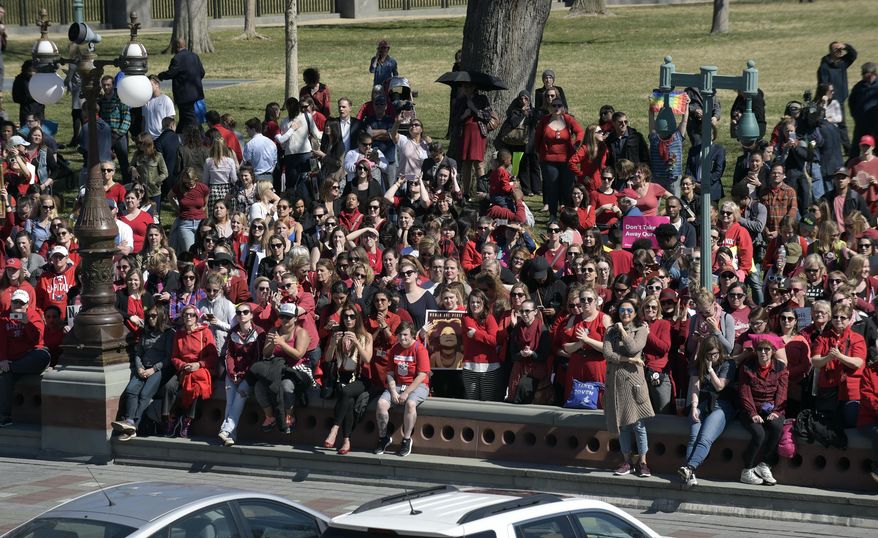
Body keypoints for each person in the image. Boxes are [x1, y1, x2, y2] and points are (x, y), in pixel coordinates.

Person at [603, 297, 654, 477]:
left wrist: (623, 333)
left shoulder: (641, 329)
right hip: (616, 382)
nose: (625, 313)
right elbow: (608, 354)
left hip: (634, 382)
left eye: (629, 311)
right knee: (622, 425)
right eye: (622, 310)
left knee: (638, 424)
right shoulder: (610, 331)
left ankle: (643, 462)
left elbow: (634, 348)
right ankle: (627, 461)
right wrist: (627, 360)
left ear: (635, 313)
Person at [679, 335, 737, 488]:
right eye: (709, 355)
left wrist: (710, 369)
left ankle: (689, 468)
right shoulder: (699, 364)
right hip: (703, 403)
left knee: (705, 437)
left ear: (720, 352)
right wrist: (693, 407)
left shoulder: (728, 363)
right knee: (693, 436)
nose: (712, 357)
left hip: (722, 404)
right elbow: (695, 386)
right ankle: (689, 474)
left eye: (715, 354)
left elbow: (719, 386)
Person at [111, 306, 174, 440]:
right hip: (143, 367)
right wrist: (139, 368)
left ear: (161, 316)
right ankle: (129, 421)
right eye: (149, 316)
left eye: (154, 316)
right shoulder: (145, 332)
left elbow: (168, 357)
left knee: (145, 394)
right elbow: (139, 353)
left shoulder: (168, 333)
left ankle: (133, 424)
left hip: (158, 369)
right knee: (130, 391)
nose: (151, 318)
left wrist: (153, 369)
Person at [322, 304, 373, 454]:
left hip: (359, 378)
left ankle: (334, 429)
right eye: (346, 316)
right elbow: (327, 359)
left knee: (345, 393)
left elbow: (368, 359)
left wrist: (357, 342)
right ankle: (346, 440)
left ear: (357, 318)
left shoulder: (366, 336)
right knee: (348, 400)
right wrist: (332, 343)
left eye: (352, 316)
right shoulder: (337, 334)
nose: (349, 319)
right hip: (340, 377)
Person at [374, 321, 429, 458]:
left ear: (411, 335)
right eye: (400, 335)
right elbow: (390, 373)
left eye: (405, 335)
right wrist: (393, 391)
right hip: (397, 384)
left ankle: (406, 439)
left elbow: (422, 375)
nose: (402, 338)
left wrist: (406, 393)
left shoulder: (419, 349)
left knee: (410, 404)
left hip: (417, 385)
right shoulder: (395, 349)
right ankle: (383, 438)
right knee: (381, 404)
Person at [738, 339, 788, 486]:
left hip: (771, 408)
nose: (763, 353)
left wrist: (777, 411)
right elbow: (744, 393)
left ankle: (764, 464)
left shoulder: (780, 367)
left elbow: (782, 392)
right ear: (756, 352)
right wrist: (753, 413)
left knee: (777, 427)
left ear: (772, 351)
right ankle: (747, 470)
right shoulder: (747, 367)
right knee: (759, 434)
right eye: (760, 350)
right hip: (750, 408)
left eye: (767, 350)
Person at [217, 303, 265, 447]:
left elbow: (257, 358)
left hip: (249, 375)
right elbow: (228, 355)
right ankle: (230, 436)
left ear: (251, 315)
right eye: (239, 313)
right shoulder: (233, 332)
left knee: (240, 394)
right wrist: (232, 374)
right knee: (230, 402)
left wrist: (243, 374)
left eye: (245, 312)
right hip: (232, 374)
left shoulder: (259, 332)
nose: (242, 315)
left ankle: (225, 429)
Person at [0, 289, 49, 427]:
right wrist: (3, 359)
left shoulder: (34, 316)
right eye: (15, 302)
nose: (18, 306)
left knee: (42, 356)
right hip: (12, 360)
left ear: (27, 305)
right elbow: (1, 340)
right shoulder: (4, 317)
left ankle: (10, 368)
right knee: (5, 376)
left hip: (29, 357)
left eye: (21, 303)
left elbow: (37, 340)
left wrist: (27, 323)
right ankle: (5, 416)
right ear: (11, 303)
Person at [535, 98, 584, 221]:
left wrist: (577, 144)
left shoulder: (568, 120)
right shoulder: (544, 121)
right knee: (552, 187)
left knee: (567, 188)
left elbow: (580, 131)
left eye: (559, 105)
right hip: (549, 160)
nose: (556, 108)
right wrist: (540, 154)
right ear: (549, 107)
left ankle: (567, 216)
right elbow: (537, 139)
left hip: (567, 160)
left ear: (562, 107)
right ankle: (552, 216)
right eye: (554, 105)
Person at [158, 38, 205, 133]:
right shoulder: (194, 56)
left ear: (176, 46)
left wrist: (160, 76)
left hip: (184, 96)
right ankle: (177, 135)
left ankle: (199, 135)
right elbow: (202, 72)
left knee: (190, 118)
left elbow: (171, 73)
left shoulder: (177, 58)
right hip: (196, 93)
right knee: (184, 118)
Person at [98, 75, 132, 183]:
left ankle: (127, 183)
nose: (106, 87)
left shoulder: (120, 100)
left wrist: (118, 134)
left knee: (123, 161)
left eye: (108, 85)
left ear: (113, 85)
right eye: (104, 85)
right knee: (104, 161)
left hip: (119, 135)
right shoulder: (101, 101)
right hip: (106, 135)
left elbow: (127, 119)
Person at [130, 133, 169, 215]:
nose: (139, 145)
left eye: (141, 143)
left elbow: (165, 173)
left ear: (148, 143)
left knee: (155, 215)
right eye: (138, 143)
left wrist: (155, 181)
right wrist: (133, 169)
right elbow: (130, 166)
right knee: (140, 213)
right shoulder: (137, 155)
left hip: (154, 191)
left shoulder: (157, 156)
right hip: (140, 191)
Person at [849, 62, 878, 150]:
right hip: (862, 123)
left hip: (876, 124)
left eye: (864, 73)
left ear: (871, 73)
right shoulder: (858, 87)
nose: (862, 75)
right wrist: (856, 116)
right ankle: (853, 163)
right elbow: (852, 102)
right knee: (856, 147)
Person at [142, 75, 175, 140]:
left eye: (150, 85)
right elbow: (143, 120)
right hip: (148, 139)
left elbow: (171, 122)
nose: (148, 87)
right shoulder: (145, 101)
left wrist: (170, 137)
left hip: (162, 137)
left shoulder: (166, 100)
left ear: (157, 85)